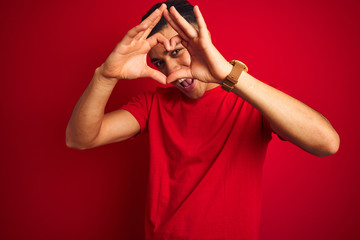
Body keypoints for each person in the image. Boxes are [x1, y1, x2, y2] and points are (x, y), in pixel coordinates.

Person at [66, 0, 340, 239]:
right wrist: (106, 76)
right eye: (159, 62)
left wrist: (228, 75)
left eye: (177, 52)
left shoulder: (250, 99)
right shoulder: (153, 105)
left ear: (202, 42)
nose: (171, 71)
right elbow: (80, 138)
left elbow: (327, 143)